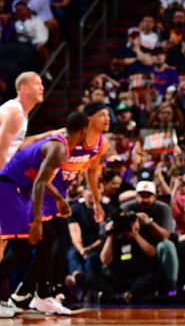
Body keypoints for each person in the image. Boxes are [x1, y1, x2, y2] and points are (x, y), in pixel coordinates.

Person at [11, 102, 108, 312]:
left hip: (57, 193)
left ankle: (28, 293)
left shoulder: (101, 144)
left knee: (53, 241)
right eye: (102, 115)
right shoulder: (65, 138)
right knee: (52, 239)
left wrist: (98, 202)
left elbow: (93, 173)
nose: (107, 119)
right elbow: (32, 149)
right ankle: (35, 293)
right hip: (42, 190)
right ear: (89, 120)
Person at [0, 112, 88, 317]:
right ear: (83, 131)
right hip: (10, 189)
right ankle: (39, 295)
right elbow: (39, 183)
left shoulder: (58, 143)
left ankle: (42, 296)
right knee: (23, 246)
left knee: (47, 237)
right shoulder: (59, 148)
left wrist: (60, 199)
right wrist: (38, 220)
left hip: (17, 190)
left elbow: (42, 180)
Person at [120, 180, 178, 296]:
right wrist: (133, 220)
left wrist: (150, 222)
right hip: (132, 243)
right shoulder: (126, 207)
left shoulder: (163, 208)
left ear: (155, 196)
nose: (145, 199)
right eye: (142, 195)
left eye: (148, 196)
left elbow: (165, 236)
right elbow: (120, 230)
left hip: (156, 245)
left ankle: (171, 283)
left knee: (167, 245)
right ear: (136, 196)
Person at [0, 72, 44, 169]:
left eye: (41, 84)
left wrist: (51, 135)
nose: (42, 87)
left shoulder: (22, 113)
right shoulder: (15, 113)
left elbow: (17, 144)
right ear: (24, 89)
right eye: (37, 84)